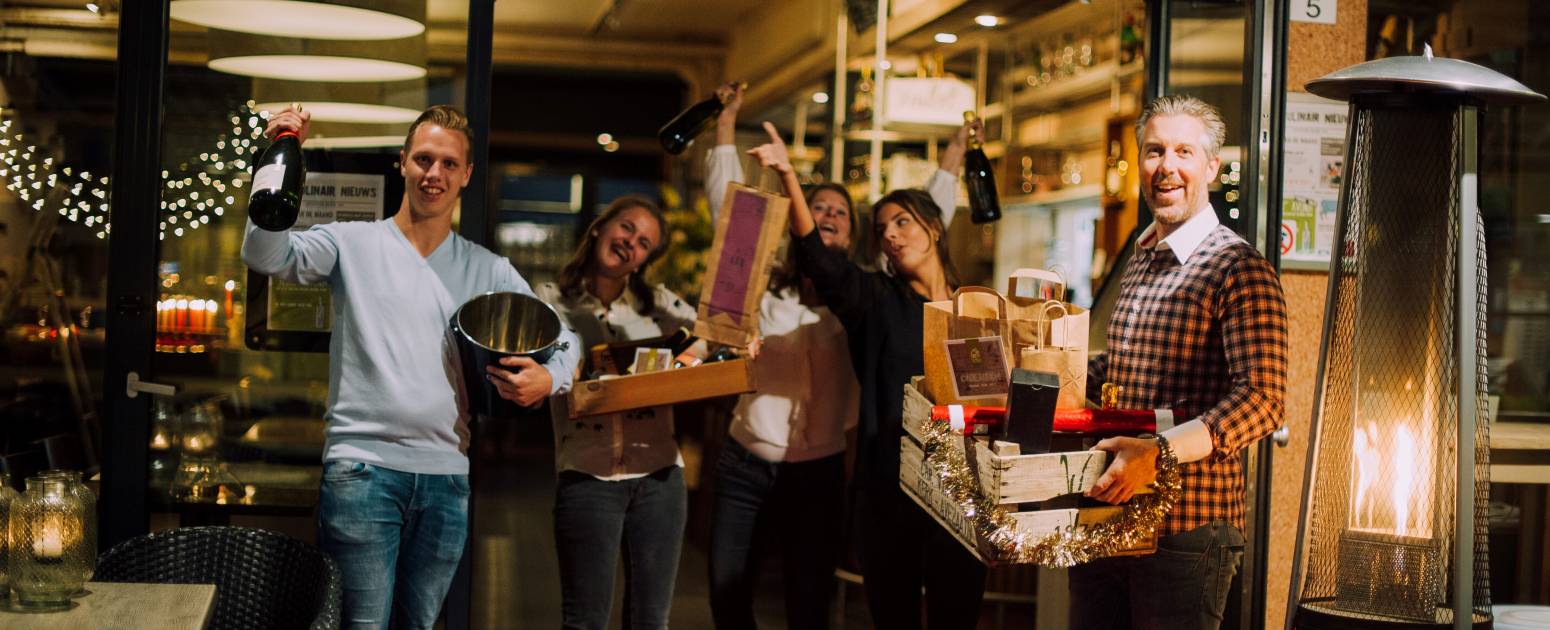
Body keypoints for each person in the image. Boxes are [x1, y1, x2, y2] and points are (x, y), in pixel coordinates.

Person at [243, 104, 581, 629]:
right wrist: (278, 158)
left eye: (449, 164)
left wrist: (549, 378)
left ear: (466, 175)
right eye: (424, 159)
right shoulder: (350, 243)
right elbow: (265, 255)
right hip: (362, 471)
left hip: (447, 476)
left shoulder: (486, 268)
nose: (434, 174)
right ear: (402, 163)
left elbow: (567, 341)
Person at [701, 82, 976, 629]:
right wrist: (774, 168)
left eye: (842, 213)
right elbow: (731, 222)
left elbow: (926, 217)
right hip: (812, 471)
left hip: (945, 483)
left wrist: (958, 149)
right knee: (730, 590)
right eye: (884, 228)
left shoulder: (973, 306)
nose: (893, 235)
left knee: (830, 604)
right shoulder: (863, 298)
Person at [1075, 94, 1288, 629]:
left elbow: (1263, 399)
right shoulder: (1144, 255)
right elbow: (1123, 371)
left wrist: (1158, 452)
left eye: (1184, 152)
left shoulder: (1238, 268)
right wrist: (1044, 374)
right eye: (1154, 151)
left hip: (1186, 529)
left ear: (1211, 167)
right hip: (1112, 511)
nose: (1166, 166)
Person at [535, 195, 698, 630]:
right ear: (598, 229)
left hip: (661, 478)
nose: (631, 243)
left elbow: (714, 335)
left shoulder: (661, 307)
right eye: (626, 228)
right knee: (585, 621)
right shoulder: (551, 301)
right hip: (587, 477)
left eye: (644, 243)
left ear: (646, 259)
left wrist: (688, 362)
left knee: (651, 621)